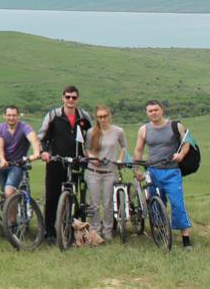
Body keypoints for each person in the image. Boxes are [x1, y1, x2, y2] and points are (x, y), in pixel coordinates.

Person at [133, 99, 194, 251]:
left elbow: (186, 144)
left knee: (177, 204)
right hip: (152, 171)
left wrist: (181, 155)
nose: (153, 113)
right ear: (147, 113)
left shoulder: (175, 126)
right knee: (155, 204)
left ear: (162, 110)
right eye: (150, 111)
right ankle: (161, 232)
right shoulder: (143, 129)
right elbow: (138, 149)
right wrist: (136, 169)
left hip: (172, 171)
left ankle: (186, 239)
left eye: (156, 110)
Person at [38, 85, 92, 243]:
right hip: (56, 161)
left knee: (76, 197)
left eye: (74, 97)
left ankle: (74, 230)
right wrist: (44, 152)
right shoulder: (53, 115)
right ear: (63, 98)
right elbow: (42, 137)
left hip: (77, 161)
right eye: (68, 97)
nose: (70, 100)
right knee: (52, 197)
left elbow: (89, 137)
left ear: (78, 99)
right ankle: (49, 232)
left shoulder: (84, 116)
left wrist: (89, 154)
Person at [84, 104, 126, 242]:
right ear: (96, 118)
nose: (103, 119)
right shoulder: (91, 132)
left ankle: (107, 230)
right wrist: (92, 158)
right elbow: (87, 148)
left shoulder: (118, 131)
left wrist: (120, 159)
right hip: (94, 171)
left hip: (110, 171)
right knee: (94, 203)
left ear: (109, 115)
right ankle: (95, 229)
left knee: (108, 203)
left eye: (105, 116)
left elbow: (123, 147)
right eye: (100, 117)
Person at [0, 106, 42, 199]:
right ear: (4, 116)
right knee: (4, 196)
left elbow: (34, 139)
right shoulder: (0, 128)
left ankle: (12, 208)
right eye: (9, 115)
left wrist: (36, 153)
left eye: (14, 115)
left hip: (18, 164)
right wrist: (2, 160)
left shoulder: (25, 127)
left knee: (9, 192)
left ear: (18, 116)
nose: (11, 118)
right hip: (4, 164)